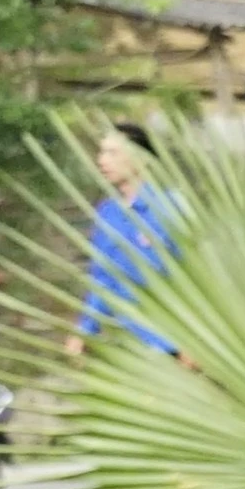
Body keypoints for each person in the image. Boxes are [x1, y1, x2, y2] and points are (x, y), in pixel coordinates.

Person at [71, 120, 178, 361]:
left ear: (142, 159)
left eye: (112, 153)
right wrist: (85, 330)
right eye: (101, 152)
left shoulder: (171, 209)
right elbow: (102, 279)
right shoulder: (108, 213)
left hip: (173, 342)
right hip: (126, 344)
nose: (101, 160)